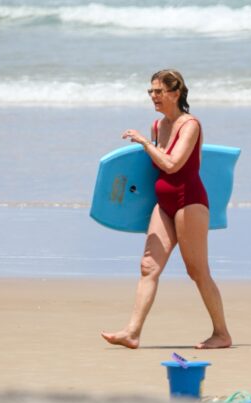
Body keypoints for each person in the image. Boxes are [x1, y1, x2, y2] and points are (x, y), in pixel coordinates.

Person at [101, 69, 232, 350]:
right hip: (164, 205)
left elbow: (172, 164)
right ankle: (132, 332)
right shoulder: (157, 126)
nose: (153, 96)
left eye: (158, 91)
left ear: (175, 93)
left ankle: (221, 333)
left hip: (190, 203)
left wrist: (145, 143)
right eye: (150, 92)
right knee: (148, 266)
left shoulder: (190, 125)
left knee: (197, 271)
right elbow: (154, 170)